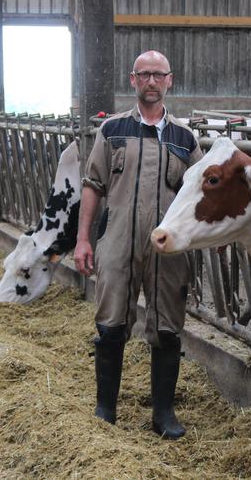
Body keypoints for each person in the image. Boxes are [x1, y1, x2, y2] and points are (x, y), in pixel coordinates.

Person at [74, 50, 202, 439]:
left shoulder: (185, 138)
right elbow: (93, 185)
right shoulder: (111, 130)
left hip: (168, 249)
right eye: (143, 74)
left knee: (166, 328)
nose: (150, 81)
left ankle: (163, 415)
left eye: (157, 75)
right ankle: (105, 408)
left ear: (169, 80)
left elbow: (198, 192)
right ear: (132, 80)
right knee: (111, 324)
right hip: (117, 241)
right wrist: (83, 240)